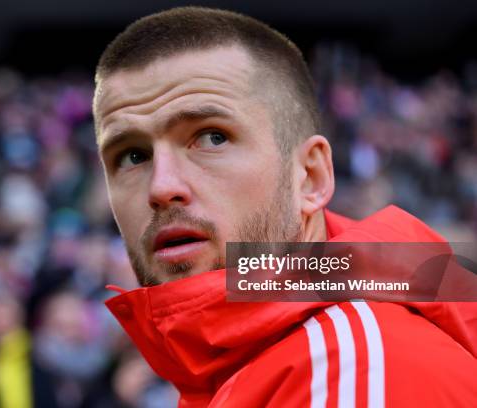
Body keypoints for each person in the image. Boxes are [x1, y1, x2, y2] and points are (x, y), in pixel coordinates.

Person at [92, 6, 477, 407]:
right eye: (133, 156)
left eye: (212, 137)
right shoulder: (259, 362)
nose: (161, 186)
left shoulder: (352, 368)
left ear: (310, 177)